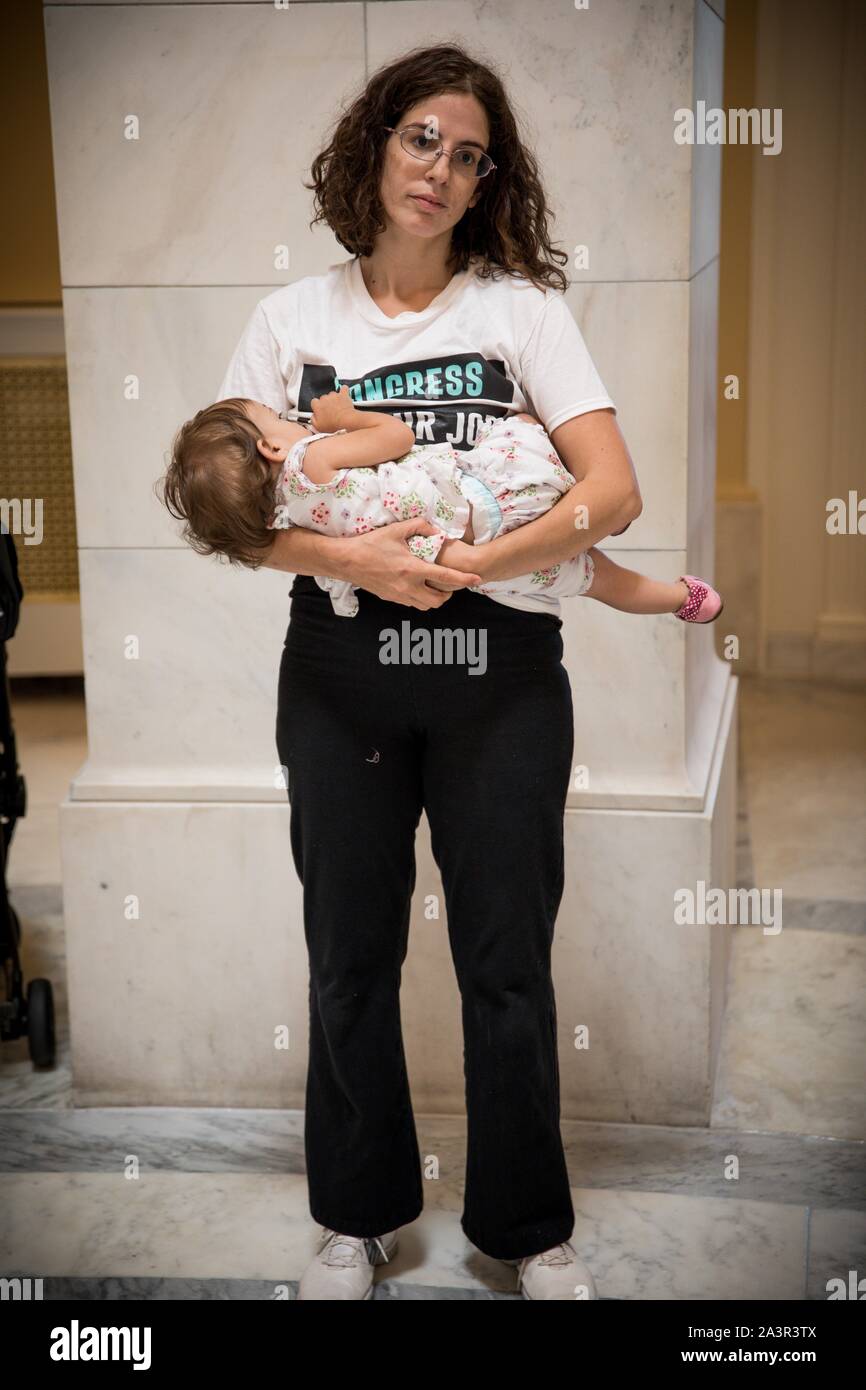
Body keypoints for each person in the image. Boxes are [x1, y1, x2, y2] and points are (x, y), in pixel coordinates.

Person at [213, 42, 661, 1301]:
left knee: (504, 960)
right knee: (348, 951)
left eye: (468, 156)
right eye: (422, 138)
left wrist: (473, 564)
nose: (442, 169)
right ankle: (356, 1219)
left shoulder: (518, 312)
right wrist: (361, 553)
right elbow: (234, 514)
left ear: (483, 186)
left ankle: (524, 1231)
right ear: (375, 145)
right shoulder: (289, 322)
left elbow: (614, 493)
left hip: (501, 670)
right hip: (344, 667)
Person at [160, 386, 723, 623]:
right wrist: (343, 421)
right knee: (524, 425)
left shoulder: (294, 522)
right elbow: (397, 439)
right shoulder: (312, 459)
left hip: (476, 563)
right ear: (271, 445)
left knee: (596, 578)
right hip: (488, 492)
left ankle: (684, 599)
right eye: (271, 413)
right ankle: (608, 517)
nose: (288, 415)